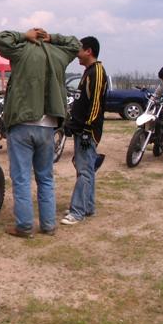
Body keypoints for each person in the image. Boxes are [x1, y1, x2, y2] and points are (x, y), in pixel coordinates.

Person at [0, 28, 81, 238]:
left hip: (22, 123)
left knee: (22, 178)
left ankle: (24, 226)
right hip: (48, 124)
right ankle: (48, 225)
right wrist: (54, 37)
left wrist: (24, 35)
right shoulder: (59, 54)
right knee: (46, 178)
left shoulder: (21, 50)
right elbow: (76, 44)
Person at [61, 36, 108, 226]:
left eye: (79, 50)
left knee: (85, 172)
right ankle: (88, 206)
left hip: (88, 131)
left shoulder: (97, 72)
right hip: (80, 129)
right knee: (86, 169)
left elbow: (96, 104)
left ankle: (77, 212)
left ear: (88, 51)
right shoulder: (88, 71)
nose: (76, 54)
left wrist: (88, 129)